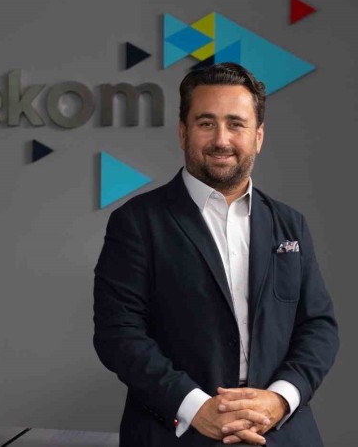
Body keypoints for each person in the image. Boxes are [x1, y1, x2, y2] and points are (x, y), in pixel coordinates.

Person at [92, 62, 338, 446]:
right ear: (183, 132)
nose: (221, 139)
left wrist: (279, 399)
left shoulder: (291, 224)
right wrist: (196, 408)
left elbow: (318, 327)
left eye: (236, 124)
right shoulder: (137, 222)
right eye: (206, 123)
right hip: (178, 432)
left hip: (281, 430)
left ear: (258, 136)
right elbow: (118, 333)